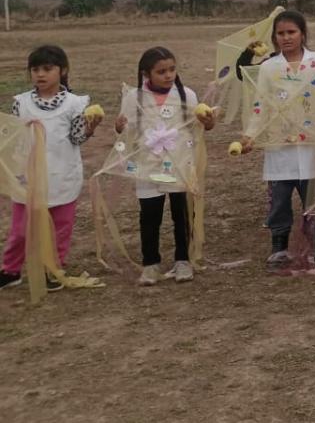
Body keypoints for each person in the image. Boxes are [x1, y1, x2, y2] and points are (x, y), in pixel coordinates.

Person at [0, 46, 102, 291]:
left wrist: (89, 129)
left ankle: (54, 269)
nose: (40, 75)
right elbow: (15, 138)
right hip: (29, 177)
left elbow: (76, 138)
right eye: (35, 70)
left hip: (62, 174)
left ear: (62, 71)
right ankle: (11, 269)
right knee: (21, 229)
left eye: (47, 69)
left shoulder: (75, 104)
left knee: (60, 227)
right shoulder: (21, 103)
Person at [239, 11, 315, 271]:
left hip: (311, 142)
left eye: (291, 32)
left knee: (311, 195)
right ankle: (279, 245)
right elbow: (260, 104)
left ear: (303, 33)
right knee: (280, 196)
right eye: (281, 33)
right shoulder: (269, 67)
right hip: (280, 143)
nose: (286, 37)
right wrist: (251, 135)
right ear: (274, 37)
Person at [115, 47, 215, 286]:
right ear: (146, 74)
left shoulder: (186, 95)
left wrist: (208, 121)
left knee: (181, 213)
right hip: (148, 166)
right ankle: (150, 263)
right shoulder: (133, 98)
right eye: (161, 71)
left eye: (172, 69)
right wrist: (118, 127)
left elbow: (199, 128)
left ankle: (183, 260)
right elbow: (126, 132)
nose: (168, 75)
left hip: (179, 165)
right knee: (149, 215)